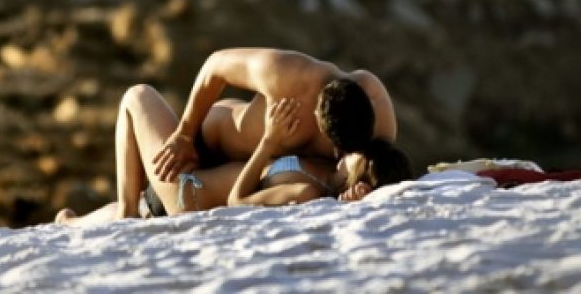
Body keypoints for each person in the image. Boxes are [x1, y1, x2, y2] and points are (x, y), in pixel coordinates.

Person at [55, 84, 411, 226]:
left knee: (136, 96)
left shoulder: (307, 193)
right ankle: (71, 223)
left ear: (358, 178)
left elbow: (239, 200)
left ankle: (126, 215)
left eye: (358, 158)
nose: (351, 151)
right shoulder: (321, 169)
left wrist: (269, 144)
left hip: (185, 191)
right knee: (96, 216)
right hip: (191, 182)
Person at [153, 48, 397, 184]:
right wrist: (184, 134)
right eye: (338, 152)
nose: (339, 159)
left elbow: (380, 177)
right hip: (207, 145)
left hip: (245, 178)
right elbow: (215, 66)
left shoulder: (378, 114)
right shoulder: (287, 75)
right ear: (319, 123)